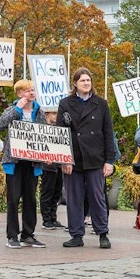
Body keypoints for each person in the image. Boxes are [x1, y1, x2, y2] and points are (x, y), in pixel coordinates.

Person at [57, 68, 116, 249]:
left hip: (95, 158)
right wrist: (64, 159)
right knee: (74, 198)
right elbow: (61, 133)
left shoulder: (101, 104)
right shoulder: (65, 103)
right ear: (75, 83)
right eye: (82, 80)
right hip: (74, 158)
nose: (86, 83)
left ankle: (102, 233)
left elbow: (108, 133)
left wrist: (109, 161)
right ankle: (76, 234)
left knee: (97, 197)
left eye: (88, 80)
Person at [0, 79, 50, 249]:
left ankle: (28, 234)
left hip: (32, 162)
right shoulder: (13, 110)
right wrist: (18, 108)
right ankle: (12, 235)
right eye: (27, 91)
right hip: (15, 162)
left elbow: (45, 134)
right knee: (13, 198)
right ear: (19, 94)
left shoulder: (39, 112)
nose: (31, 93)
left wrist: (47, 153)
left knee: (31, 199)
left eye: (33, 90)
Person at [39, 106, 65, 230]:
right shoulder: (43, 129)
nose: (56, 116)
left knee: (57, 192)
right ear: (47, 115)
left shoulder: (59, 128)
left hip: (59, 163)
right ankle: (46, 219)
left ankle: (53, 217)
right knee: (47, 192)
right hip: (48, 165)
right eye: (54, 114)